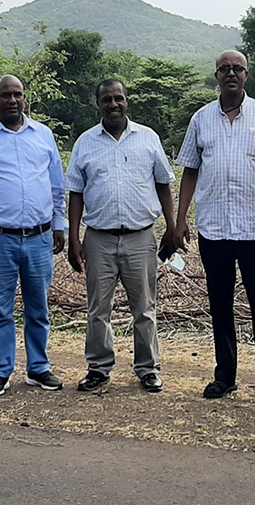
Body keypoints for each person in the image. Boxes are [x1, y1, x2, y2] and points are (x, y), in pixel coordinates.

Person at [174, 50, 255, 404]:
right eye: (224, 69)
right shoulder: (201, 119)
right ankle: (225, 376)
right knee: (220, 305)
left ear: (246, 75)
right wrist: (180, 221)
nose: (231, 74)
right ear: (216, 75)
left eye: (237, 69)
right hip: (214, 229)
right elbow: (190, 169)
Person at [65, 79, 177, 393]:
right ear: (98, 103)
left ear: (127, 101)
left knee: (144, 308)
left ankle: (148, 369)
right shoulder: (86, 143)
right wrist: (74, 238)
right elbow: (75, 193)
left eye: (118, 99)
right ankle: (99, 369)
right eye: (106, 100)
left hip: (140, 237)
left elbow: (163, 184)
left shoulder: (148, 138)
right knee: (98, 309)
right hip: (98, 238)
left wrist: (171, 226)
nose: (113, 105)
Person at [0, 75, 67, 397]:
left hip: (39, 238)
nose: (12, 100)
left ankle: (38, 369)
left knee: (39, 308)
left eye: (17, 95)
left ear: (25, 99)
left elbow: (56, 185)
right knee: (0, 310)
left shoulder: (43, 135)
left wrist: (59, 224)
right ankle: (2, 371)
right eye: (5, 95)